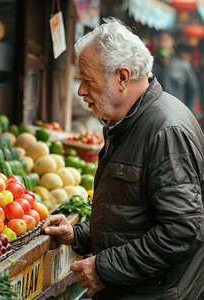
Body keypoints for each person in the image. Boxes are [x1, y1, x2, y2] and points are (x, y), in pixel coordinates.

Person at [42, 17, 204, 299]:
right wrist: (80, 234)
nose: (80, 91)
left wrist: (104, 269)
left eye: (87, 80)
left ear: (122, 77)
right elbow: (132, 214)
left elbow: (181, 231)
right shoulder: (130, 122)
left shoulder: (165, 131)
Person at [152, 32, 200, 112]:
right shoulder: (151, 66)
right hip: (158, 112)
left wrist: (190, 112)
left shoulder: (183, 66)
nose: (162, 43)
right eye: (159, 40)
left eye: (165, 40)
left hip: (179, 111)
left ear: (172, 41)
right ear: (155, 42)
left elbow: (193, 90)